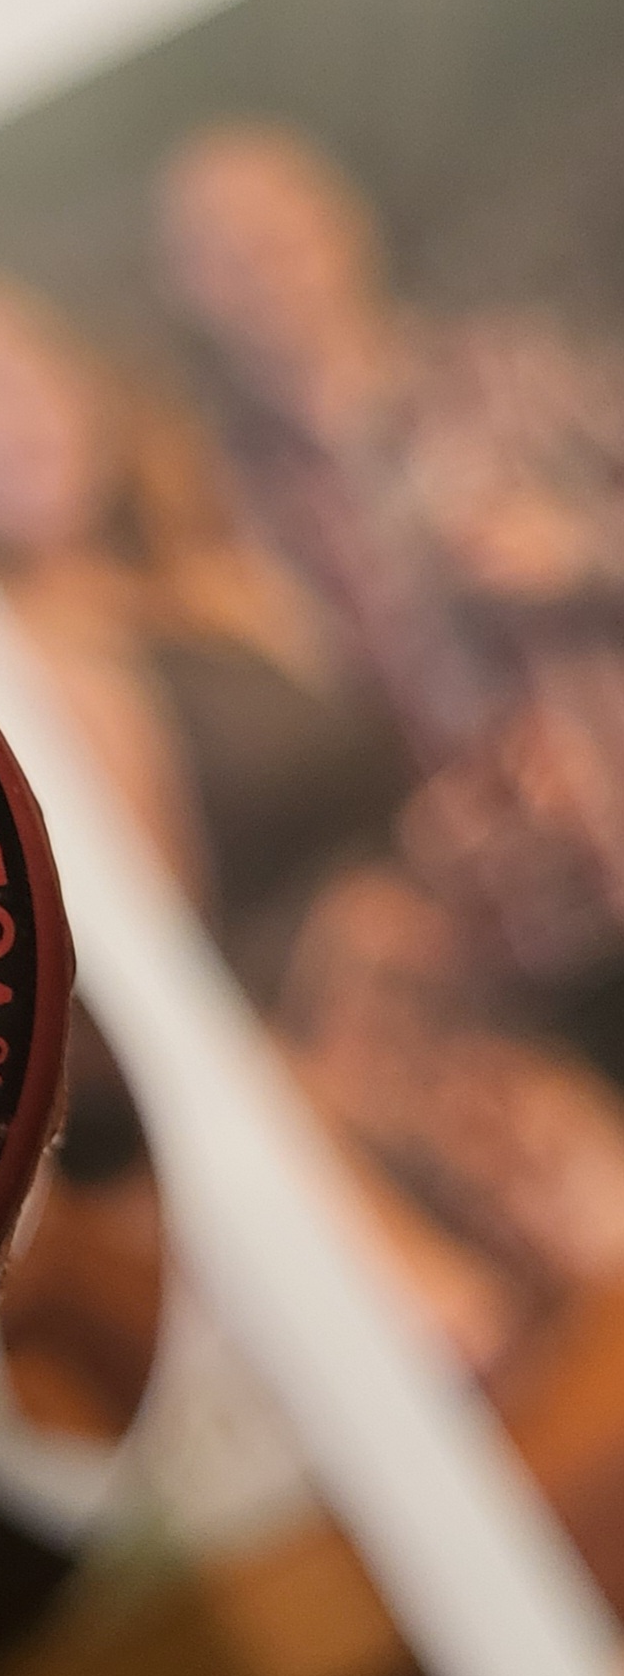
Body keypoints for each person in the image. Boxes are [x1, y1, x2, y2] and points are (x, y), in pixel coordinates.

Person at [0, 272, 624, 1375]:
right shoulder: (39, 662)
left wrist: (456, 835)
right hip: (383, 1112)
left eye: (14, 370)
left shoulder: (212, 563)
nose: (1, 418)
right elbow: (182, 1009)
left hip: (493, 1011)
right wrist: (383, 1240)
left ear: (79, 376)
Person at [157, 123, 624, 1074]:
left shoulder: (513, 368)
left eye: (278, 218)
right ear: (188, 289)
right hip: (509, 945)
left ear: (344, 216)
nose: (261, 257)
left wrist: (577, 550)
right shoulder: (218, 505)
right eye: (220, 245)